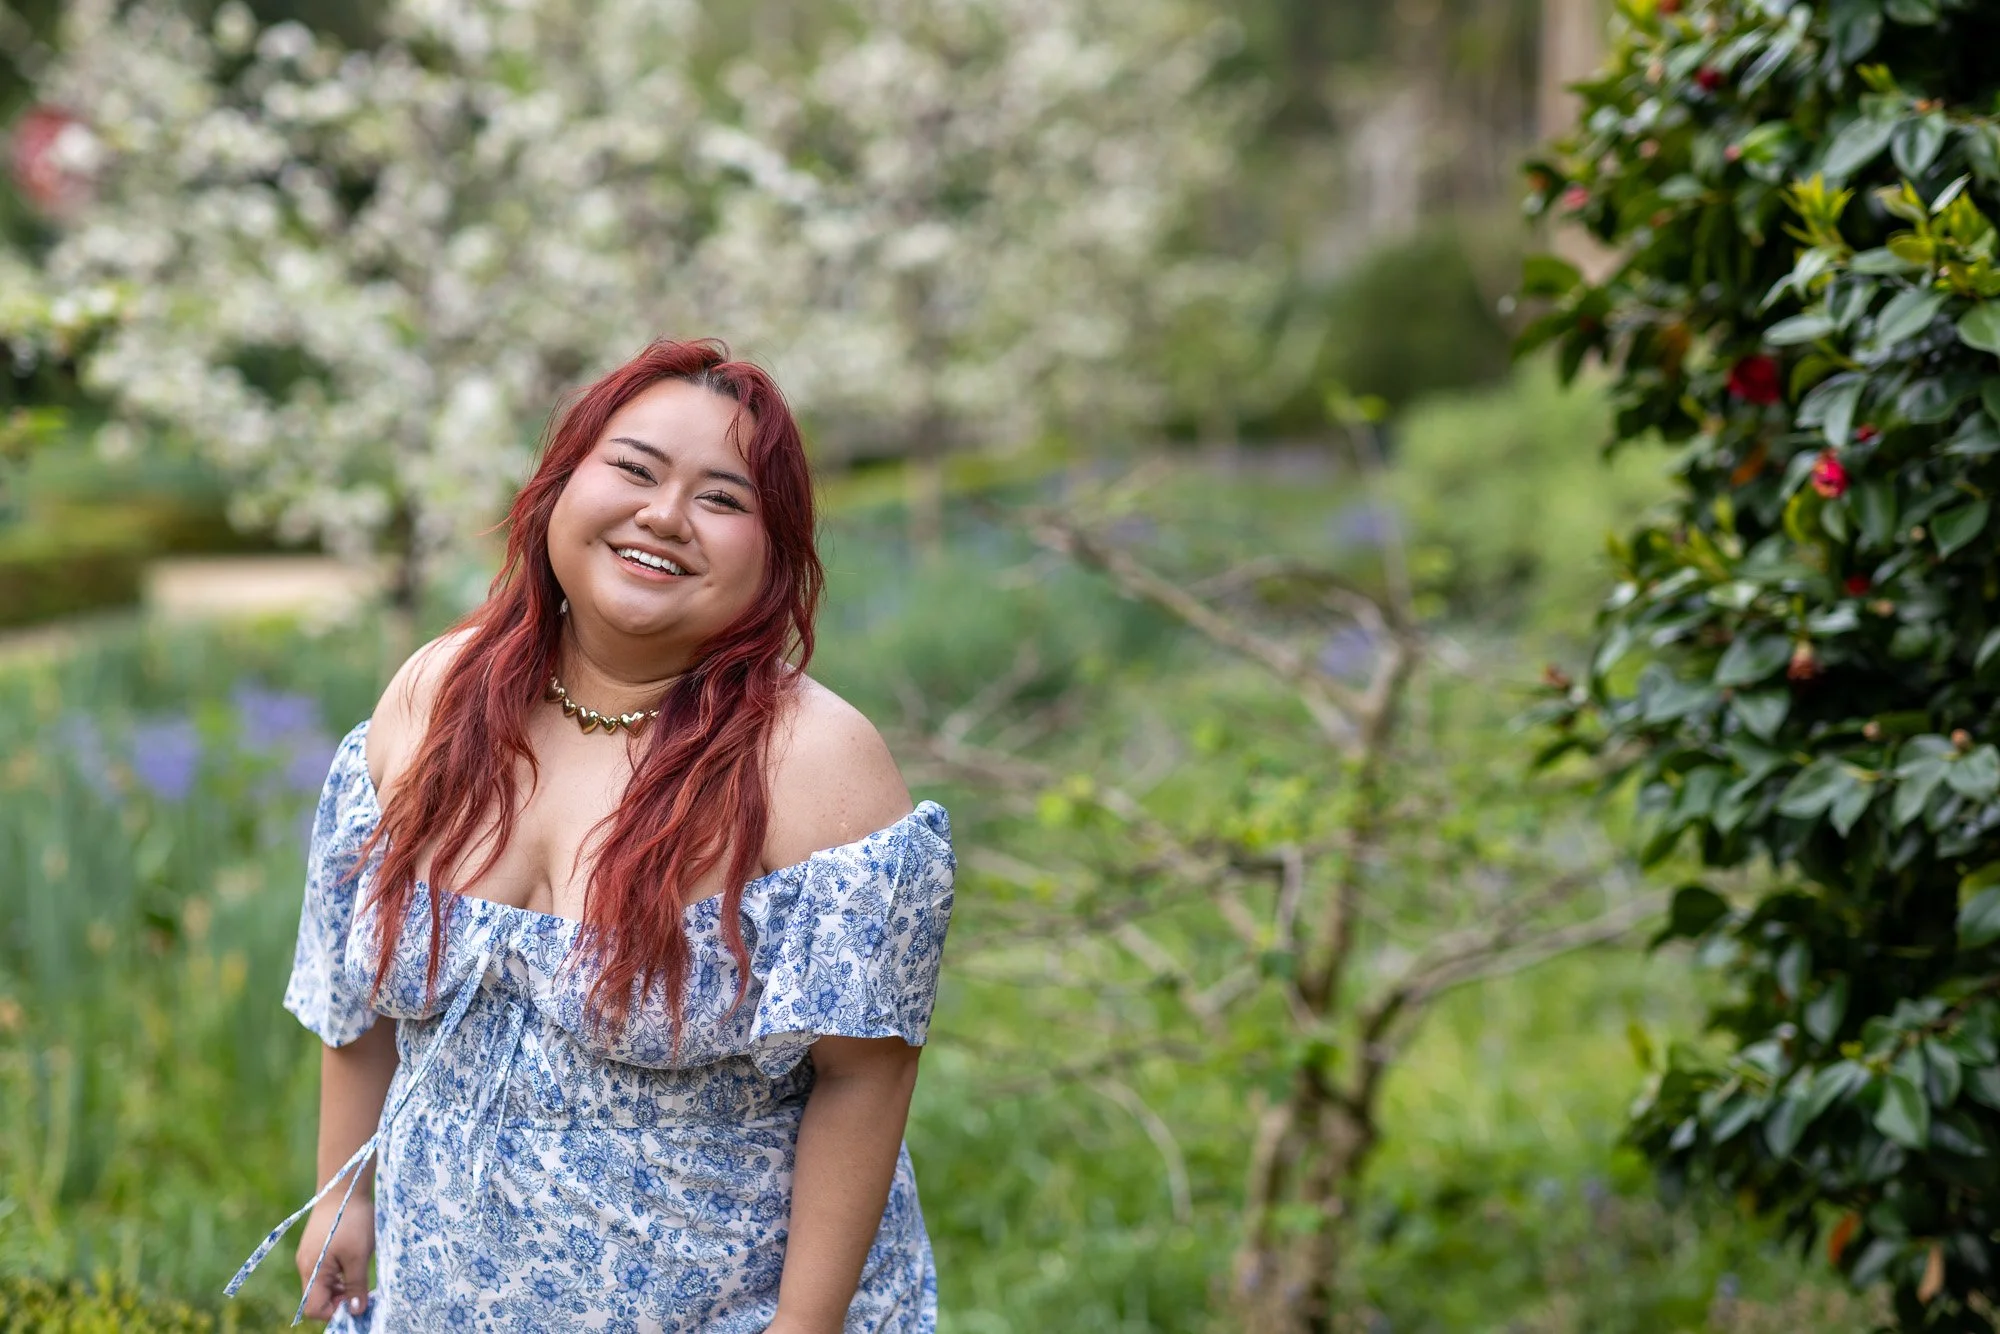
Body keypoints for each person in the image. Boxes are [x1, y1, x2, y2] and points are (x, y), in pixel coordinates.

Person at [225, 338, 957, 1332]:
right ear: (559, 484)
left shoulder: (814, 765)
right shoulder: (437, 697)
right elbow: (350, 983)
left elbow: (864, 1079)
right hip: (434, 1297)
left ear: (774, 554)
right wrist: (341, 1190)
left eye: (723, 498)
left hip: (722, 1310)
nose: (663, 516)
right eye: (635, 468)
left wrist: (803, 1329)